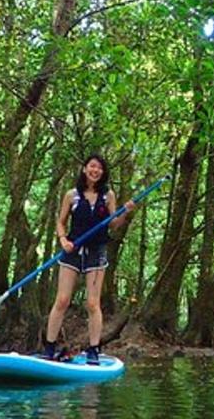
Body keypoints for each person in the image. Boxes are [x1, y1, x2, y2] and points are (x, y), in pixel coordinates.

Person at [40, 154, 137, 364]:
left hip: (96, 252)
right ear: (85, 169)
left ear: (103, 173)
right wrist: (63, 239)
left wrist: (126, 213)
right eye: (92, 166)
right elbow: (61, 221)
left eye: (99, 168)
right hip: (73, 249)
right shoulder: (71, 195)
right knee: (62, 300)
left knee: (93, 303)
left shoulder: (108, 195)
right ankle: (49, 347)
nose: (95, 170)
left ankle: (94, 350)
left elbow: (114, 224)